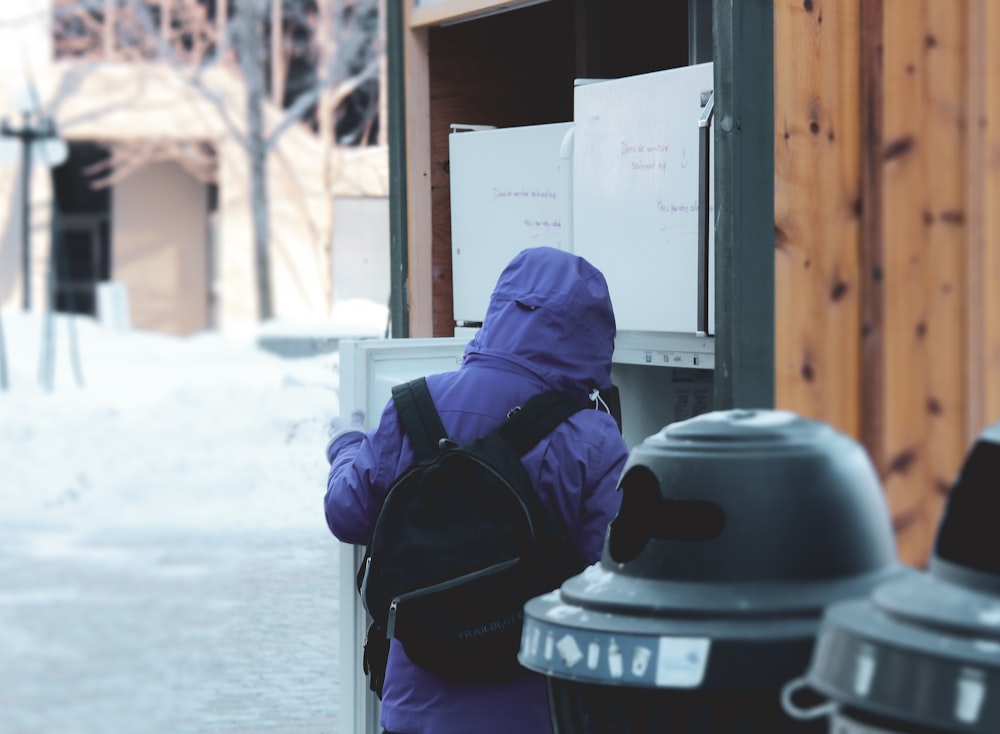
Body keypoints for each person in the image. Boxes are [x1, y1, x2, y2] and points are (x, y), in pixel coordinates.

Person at [324, 245, 629, 734]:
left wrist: (345, 445)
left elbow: (348, 513)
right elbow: (616, 581)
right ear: (592, 335)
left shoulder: (415, 406)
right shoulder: (593, 439)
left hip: (413, 713)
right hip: (533, 713)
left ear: (498, 314)